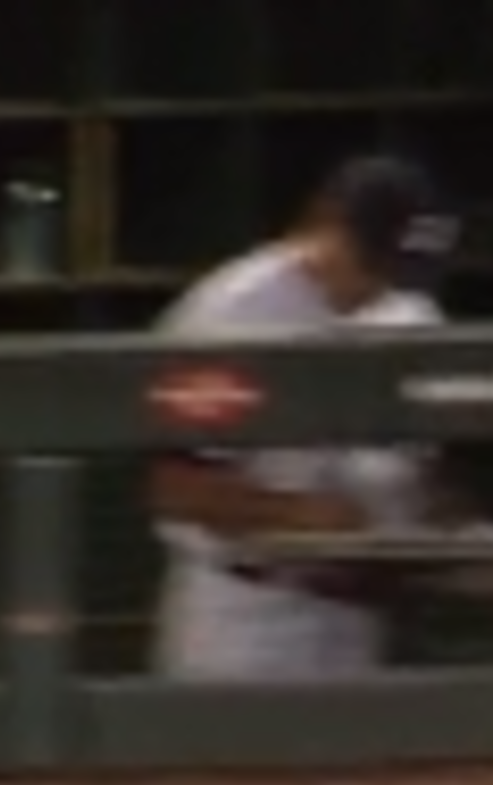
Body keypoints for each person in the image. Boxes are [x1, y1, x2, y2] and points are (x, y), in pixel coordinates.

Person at [144, 156, 461, 682]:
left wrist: (442, 522)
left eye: (397, 266)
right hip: (244, 620)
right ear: (326, 219)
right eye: (371, 259)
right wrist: (300, 513)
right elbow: (178, 488)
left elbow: (422, 465)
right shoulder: (230, 313)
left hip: (359, 618)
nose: (381, 282)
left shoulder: (409, 311)